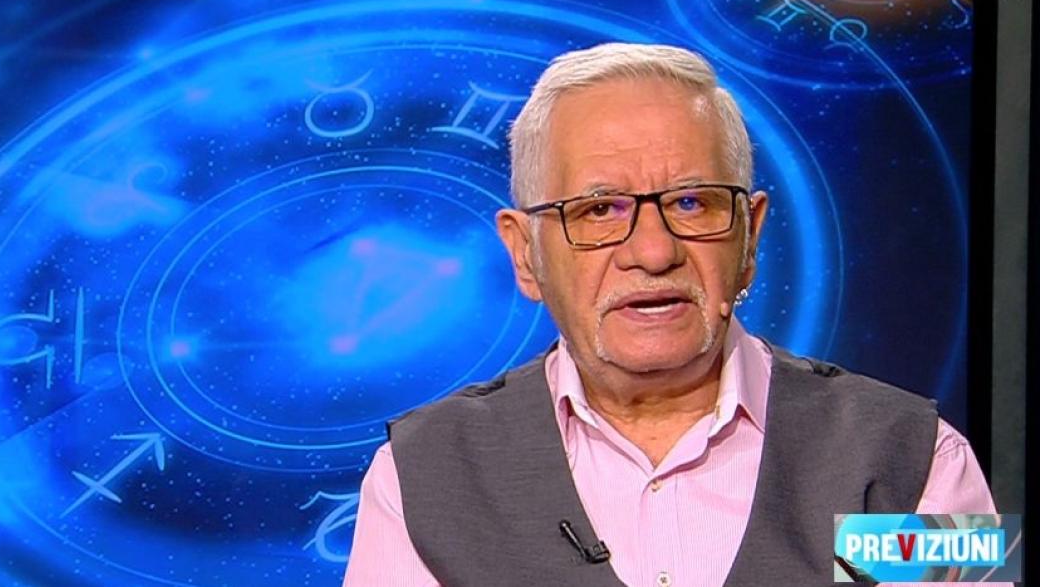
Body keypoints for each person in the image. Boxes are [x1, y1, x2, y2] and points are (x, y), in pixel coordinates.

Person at [342, 43, 998, 586]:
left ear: (750, 237)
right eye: (599, 210)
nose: (653, 253)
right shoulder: (421, 475)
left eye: (692, 203)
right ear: (525, 254)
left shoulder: (912, 460)